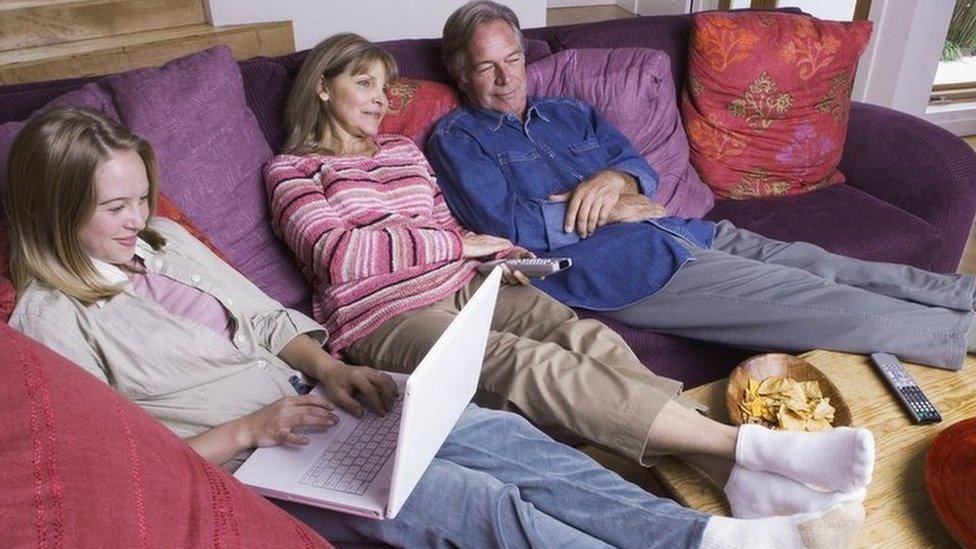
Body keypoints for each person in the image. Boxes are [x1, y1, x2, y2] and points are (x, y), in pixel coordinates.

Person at [5, 106, 865, 549]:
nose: (137, 218)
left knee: (509, 442)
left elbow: (269, 317)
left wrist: (328, 368)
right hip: (258, 463)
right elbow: (130, 471)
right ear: (53, 210)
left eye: (140, 197)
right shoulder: (47, 325)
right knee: (477, 500)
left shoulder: (163, 240)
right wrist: (252, 427)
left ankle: (711, 535)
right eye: (113, 206)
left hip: (313, 404)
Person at [265, 30, 874, 528]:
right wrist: (457, 244)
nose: (378, 98)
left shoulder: (401, 150)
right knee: (525, 364)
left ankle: (732, 480)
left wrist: (498, 256)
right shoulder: (292, 170)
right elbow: (339, 254)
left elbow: (447, 221)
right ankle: (747, 451)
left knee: (586, 339)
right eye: (361, 82)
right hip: (384, 314)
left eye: (383, 85)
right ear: (321, 88)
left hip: (471, 282)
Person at [427, 0, 976, 372]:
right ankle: (961, 337)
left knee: (828, 265)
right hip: (629, 271)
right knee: (820, 302)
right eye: (486, 67)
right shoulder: (456, 140)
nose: (507, 79)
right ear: (459, 73)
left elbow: (638, 165)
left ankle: (965, 297)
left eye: (514, 59)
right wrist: (613, 209)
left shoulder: (569, 112)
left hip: (685, 230)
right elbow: (513, 228)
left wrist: (616, 178)